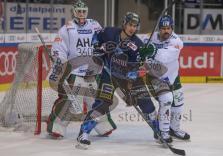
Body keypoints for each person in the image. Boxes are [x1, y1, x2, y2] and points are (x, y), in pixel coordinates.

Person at [76, 12, 163, 147]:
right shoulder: (109, 32)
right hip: (109, 74)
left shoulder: (137, 44)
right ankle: (84, 132)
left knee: (145, 100)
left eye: (135, 26)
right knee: (103, 103)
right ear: (124, 23)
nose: (132, 28)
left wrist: (130, 88)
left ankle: (158, 131)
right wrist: (100, 48)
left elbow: (135, 69)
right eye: (130, 25)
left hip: (125, 76)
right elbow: (95, 40)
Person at [47, 0, 116, 138]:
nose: (81, 14)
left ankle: (103, 126)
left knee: (96, 101)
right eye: (79, 11)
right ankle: (56, 126)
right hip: (75, 71)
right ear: (74, 12)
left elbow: (103, 40)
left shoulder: (94, 25)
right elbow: (59, 47)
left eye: (84, 11)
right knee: (72, 102)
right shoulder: (67, 28)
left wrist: (106, 47)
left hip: (92, 71)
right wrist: (59, 58)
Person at [148, 15, 190, 142]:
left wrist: (152, 51)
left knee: (178, 103)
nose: (166, 31)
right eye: (163, 28)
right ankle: (163, 132)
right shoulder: (150, 38)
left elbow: (165, 57)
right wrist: (143, 52)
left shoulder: (176, 41)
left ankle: (174, 129)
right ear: (158, 29)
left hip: (173, 77)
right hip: (156, 77)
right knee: (166, 101)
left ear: (172, 28)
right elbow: (142, 50)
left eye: (168, 28)